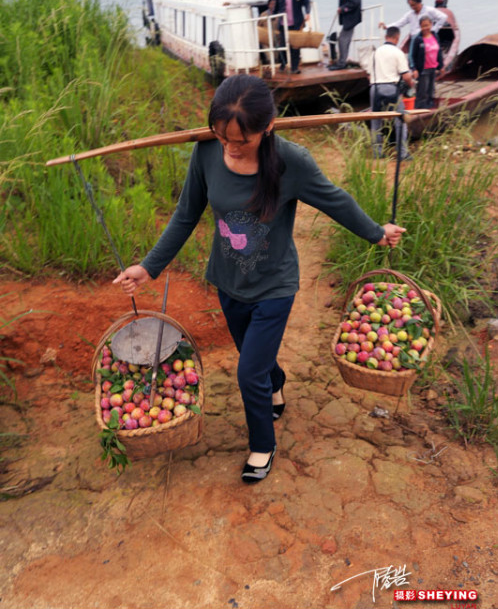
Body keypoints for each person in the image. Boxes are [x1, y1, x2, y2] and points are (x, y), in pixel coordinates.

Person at [113, 75, 406, 484]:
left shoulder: (292, 162)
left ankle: (262, 445)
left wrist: (376, 232)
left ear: (268, 126)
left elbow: (335, 199)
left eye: (241, 140)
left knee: (248, 372)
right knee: (258, 362)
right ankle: (276, 384)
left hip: (274, 286)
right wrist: (148, 267)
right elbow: (185, 216)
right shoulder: (205, 153)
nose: (231, 147)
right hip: (228, 281)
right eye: (223, 136)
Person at [369, 26, 415, 161]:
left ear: (386, 37)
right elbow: (406, 76)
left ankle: (377, 153)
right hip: (391, 88)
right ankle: (402, 153)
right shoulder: (397, 52)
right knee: (400, 120)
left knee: (376, 122)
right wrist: (411, 87)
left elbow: (368, 74)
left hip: (375, 88)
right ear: (397, 38)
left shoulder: (375, 52)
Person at [380, 0, 447, 52]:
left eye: (414, 5)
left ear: (419, 2)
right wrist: (386, 26)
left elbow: (443, 17)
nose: (412, 7)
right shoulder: (410, 14)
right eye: (411, 5)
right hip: (414, 39)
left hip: (426, 37)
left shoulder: (429, 10)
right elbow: (399, 23)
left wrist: (434, 30)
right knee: (412, 56)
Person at [274, 0, 310, 74]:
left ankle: (294, 67)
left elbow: (306, 2)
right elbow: (278, 5)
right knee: (283, 45)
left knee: (295, 46)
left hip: (296, 23)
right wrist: (273, 15)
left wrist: (307, 12)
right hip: (283, 23)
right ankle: (283, 64)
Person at [328, 0, 362, 71]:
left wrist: (343, 9)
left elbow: (355, 1)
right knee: (344, 39)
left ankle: (342, 63)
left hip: (351, 17)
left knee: (343, 39)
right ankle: (342, 60)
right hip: (348, 17)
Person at [410, 15, 444, 109]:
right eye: (423, 26)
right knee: (422, 91)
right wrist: (414, 69)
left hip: (433, 68)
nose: (425, 28)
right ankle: (420, 109)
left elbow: (439, 52)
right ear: (420, 27)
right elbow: (412, 56)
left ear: (431, 25)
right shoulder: (418, 39)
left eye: (427, 25)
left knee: (431, 90)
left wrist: (441, 66)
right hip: (423, 69)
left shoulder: (435, 36)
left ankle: (429, 107)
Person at [257, 0, 279, 65]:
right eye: (271, 4)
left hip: (277, 39)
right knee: (269, 58)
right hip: (265, 40)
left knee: (276, 58)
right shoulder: (263, 15)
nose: (273, 5)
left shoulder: (279, 14)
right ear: (268, 5)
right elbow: (258, 26)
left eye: (275, 4)